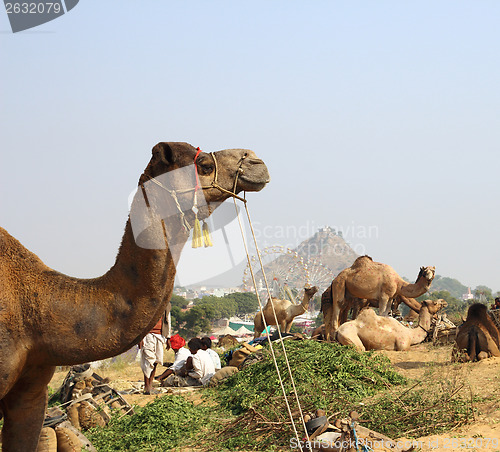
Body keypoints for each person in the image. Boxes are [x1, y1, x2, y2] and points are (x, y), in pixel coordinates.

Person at [139, 309, 171, 395]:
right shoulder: (147, 303)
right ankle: (147, 386)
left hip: (160, 335)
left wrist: (168, 338)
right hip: (148, 335)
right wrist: (140, 337)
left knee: (156, 361)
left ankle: (150, 383)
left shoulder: (165, 305)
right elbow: (140, 320)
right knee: (148, 360)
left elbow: (168, 320)